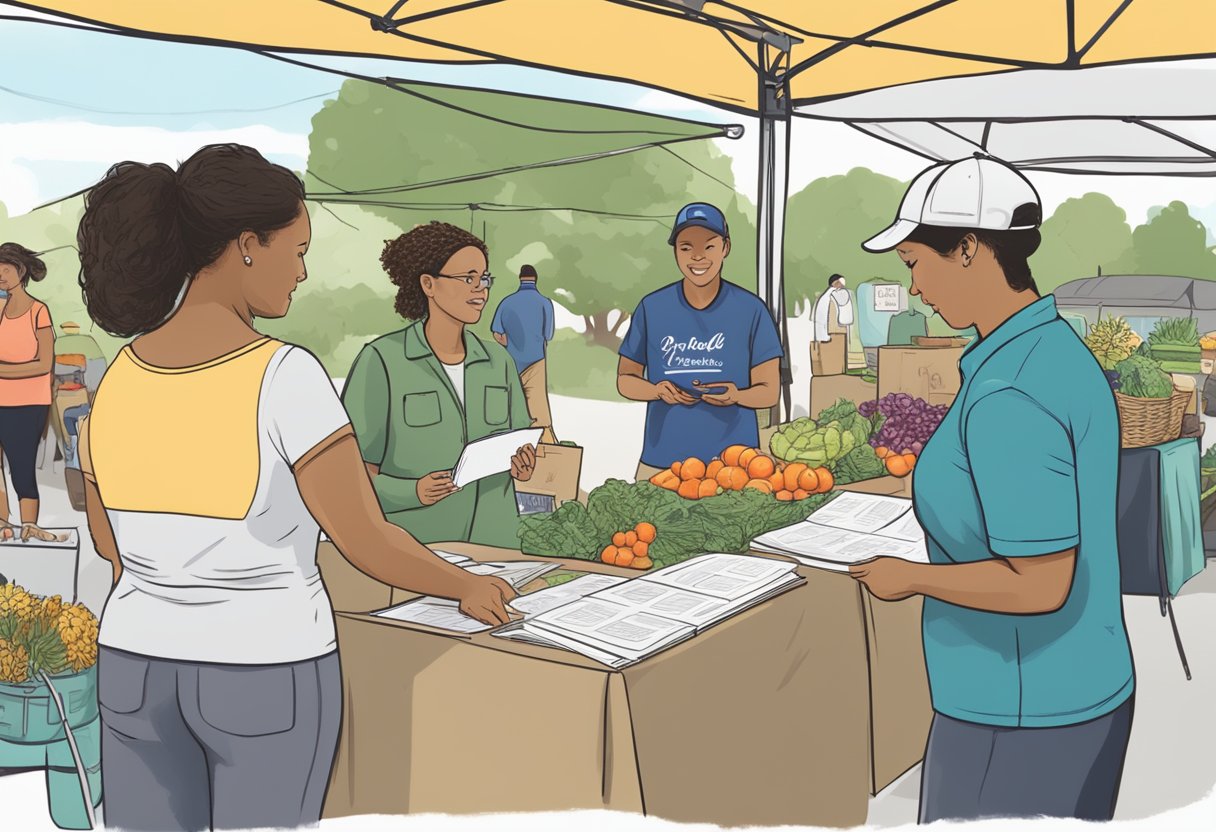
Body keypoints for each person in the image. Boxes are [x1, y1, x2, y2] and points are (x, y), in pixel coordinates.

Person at [75, 144, 517, 832]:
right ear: (247, 245)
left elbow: (111, 543)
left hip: (133, 667)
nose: (304, 272)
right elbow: (364, 538)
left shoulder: (119, 379)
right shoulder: (283, 376)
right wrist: (464, 586)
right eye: (299, 249)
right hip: (261, 673)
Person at [849, 155, 1134, 823]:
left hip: (1021, 712)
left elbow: (1040, 584)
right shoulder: (1045, 350)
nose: (913, 287)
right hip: (1073, 691)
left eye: (917, 261)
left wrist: (911, 578)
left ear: (970, 248)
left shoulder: (1011, 389)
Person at [342, 222, 537, 549]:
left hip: (497, 545)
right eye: (468, 278)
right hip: (419, 550)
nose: (481, 289)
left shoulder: (498, 360)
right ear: (428, 284)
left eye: (484, 278)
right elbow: (351, 474)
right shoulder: (381, 360)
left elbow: (519, 443)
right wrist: (412, 491)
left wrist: (524, 464)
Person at [617, 202, 782, 479]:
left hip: (736, 467)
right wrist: (657, 391)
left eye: (708, 246)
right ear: (675, 252)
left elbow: (769, 391)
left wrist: (737, 395)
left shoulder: (751, 309)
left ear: (725, 248)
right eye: (685, 247)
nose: (697, 257)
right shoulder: (652, 307)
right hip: (662, 463)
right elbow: (625, 379)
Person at [0, 243, 55, 541]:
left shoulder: (38, 311)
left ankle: (29, 525)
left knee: (21, 465)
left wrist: (3, 372)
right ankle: (2, 522)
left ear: (21, 272)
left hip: (27, 402)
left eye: (4, 271)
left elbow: (44, 363)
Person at [491, 264, 557, 444]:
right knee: (538, 413)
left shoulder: (506, 302)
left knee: (510, 409)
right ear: (535, 279)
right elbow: (548, 334)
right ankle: (547, 451)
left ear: (520, 278)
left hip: (511, 362)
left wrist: (508, 343)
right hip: (536, 361)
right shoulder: (545, 303)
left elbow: (497, 332)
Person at [810, 273, 853, 376]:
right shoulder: (834, 295)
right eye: (840, 283)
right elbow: (845, 317)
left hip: (823, 334)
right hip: (831, 333)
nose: (842, 286)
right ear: (835, 283)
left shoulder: (824, 296)